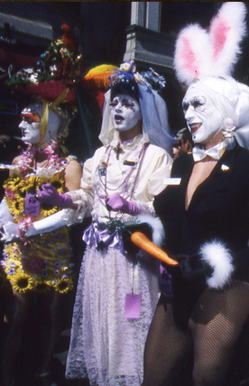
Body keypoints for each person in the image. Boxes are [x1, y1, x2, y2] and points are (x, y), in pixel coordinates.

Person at [141, 4, 249, 385]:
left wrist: (216, 264)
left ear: (225, 110)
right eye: (185, 103)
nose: (188, 113)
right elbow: (171, 217)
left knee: (208, 379)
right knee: (152, 378)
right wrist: (144, 231)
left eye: (198, 103)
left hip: (225, 292)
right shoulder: (182, 164)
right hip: (175, 291)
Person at [34, 61, 174, 386]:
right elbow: (85, 199)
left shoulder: (156, 157)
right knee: (101, 324)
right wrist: (62, 200)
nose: (119, 109)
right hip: (98, 258)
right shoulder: (99, 157)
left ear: (143, 109)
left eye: (128, 103)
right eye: (115, 103)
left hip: (133, 262)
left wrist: (130, 205)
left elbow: (162, 210)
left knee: (130, 321)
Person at [0, 33, 82, 386]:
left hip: (52, 250)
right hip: (18, 247)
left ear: (52, 122)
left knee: (50, 315)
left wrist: (35, 228)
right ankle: (5, 372)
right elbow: (6, 197)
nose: (21, 126)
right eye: (21, 120)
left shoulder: (69, 165)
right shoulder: (19, 161)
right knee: (14, 314)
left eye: (30, 121)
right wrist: (6, 224)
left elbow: (76, 211)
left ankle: (45, 371)